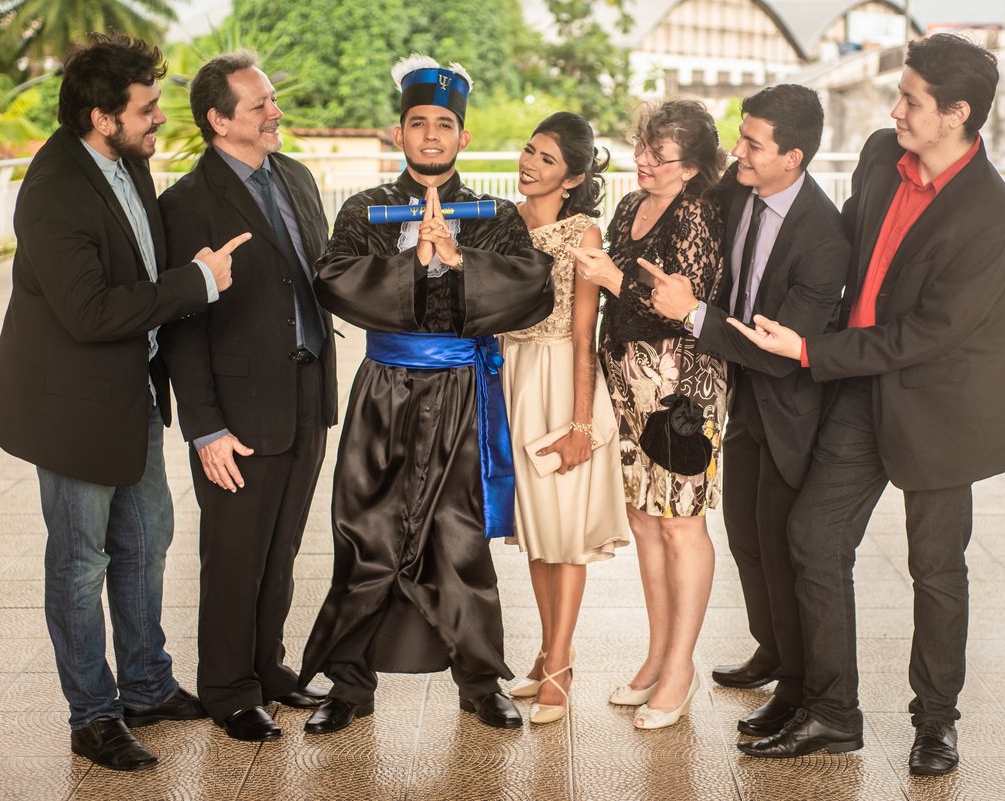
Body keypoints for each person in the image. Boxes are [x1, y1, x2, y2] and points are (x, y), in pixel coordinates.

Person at [728, 35, 1005, 775]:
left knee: (936, 565)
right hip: (860, 386)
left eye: (912, 101)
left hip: (940, 405)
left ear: (957, 114)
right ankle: (832, 712)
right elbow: (845, 248)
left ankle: (936, 719)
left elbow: (922, 335)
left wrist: (806, 351)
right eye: (900, 93)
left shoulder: (992, 218)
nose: (895, 109)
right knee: (814, 534)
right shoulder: (876, 156)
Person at [0, 32, 246, 770]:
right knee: (79, 560)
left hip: (129, 394)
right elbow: (89, 312)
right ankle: (92, 713)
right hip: (70, 409)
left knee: (146, 540)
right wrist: (195, 283)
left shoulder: (128, 162)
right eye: (147, 107)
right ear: (102, 117)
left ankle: (146, 683)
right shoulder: (54, 191)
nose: (160, 117)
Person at [297, 54, 555, 734]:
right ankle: (349, 685)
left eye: (445, 124)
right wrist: (412, 261)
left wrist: (464, 259)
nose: (432, 136)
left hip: (462, 392)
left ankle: (479, 681)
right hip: (383, 389)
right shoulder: (367, 209)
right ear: (398, 132)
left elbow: (534, 286)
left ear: (463, 136)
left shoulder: (496, 214)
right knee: (364, 530)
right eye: (419, 123)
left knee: (458, 537)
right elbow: (333, 277)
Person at [642, 85, 850, 739]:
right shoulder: (739, 187)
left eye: (753, 143)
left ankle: (796, 692)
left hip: (786, 405)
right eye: (740, 135)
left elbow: (781, 350)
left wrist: (692, 313)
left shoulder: (824, 238)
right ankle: (771, 648)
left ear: (792, 157)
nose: (740, 150)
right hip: (735, 401)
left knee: (781, 545)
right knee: (745, 540)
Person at [157, 52, 338, 742]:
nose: (275, 113)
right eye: (260, 105)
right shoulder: (185, 203)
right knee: (234, 553)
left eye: (272, 100)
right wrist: (205, 429)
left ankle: (268, 668)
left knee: (282, 546)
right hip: (237, 412)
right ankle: (229, 689)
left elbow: (316, 275)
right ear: (218, 119)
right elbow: (180, 327)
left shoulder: (294, 176)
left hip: (306, 391)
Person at [569, 99, 728, 730]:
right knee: (643, 520)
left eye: (656, 156)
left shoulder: (700, 212)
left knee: (680, 523)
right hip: (627, 378)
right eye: (640, 147)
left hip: (682, 386)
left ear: (691, 167)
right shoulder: (633, 206)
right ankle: (659, 653)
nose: (640, 162)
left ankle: (681, 667)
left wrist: (611, 280)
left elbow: (681, 305)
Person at [501, 112, 630, 725]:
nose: (530, 164)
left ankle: (558, 664)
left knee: (566, 529)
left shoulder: (585, 234)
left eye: (546, 159)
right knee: (536, 529)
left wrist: (581, 424)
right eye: (529, 151)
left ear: (573, 177)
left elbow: (586, 334)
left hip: (562, 379)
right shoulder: (502, 222)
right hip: (511, 378)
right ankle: (550, 652)